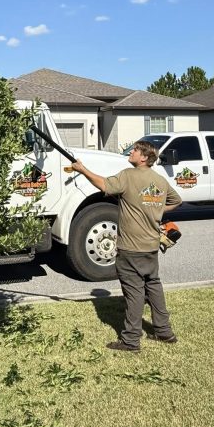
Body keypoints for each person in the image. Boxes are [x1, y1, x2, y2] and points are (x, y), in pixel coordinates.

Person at [71, 140, 182, 352]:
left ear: (144, 157)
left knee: (134, 293)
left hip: (131, 248)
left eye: (136, 150)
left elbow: (104, 185)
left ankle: (131, 340)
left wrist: (82, 169)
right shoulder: (159, 180)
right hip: (150, 246)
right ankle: (164, 332)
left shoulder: (128, 176)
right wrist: (156, 210)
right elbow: (177, 200)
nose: (131, 152)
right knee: (153, 286)